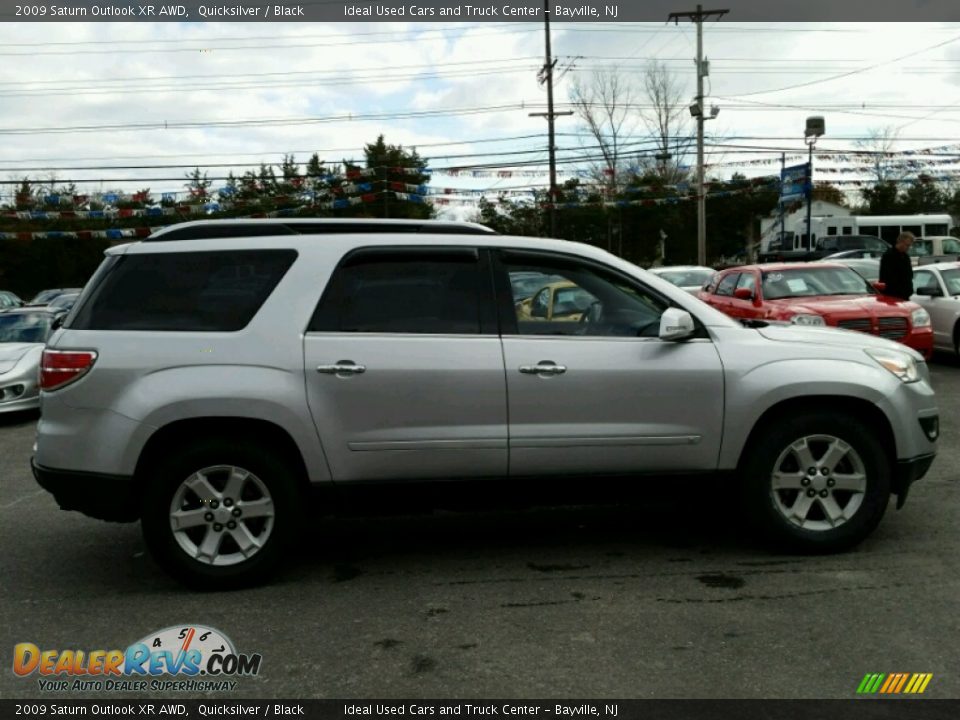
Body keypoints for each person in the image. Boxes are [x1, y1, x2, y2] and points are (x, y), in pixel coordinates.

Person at [879, 231, 915, 300]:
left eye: (910, 245)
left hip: (905, 295)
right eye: (907, 245)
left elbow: (909, 275)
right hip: (893, 295)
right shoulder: (889, 256)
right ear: (900, 242)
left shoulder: (905, 256)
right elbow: (888, 277)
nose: (908, 248)